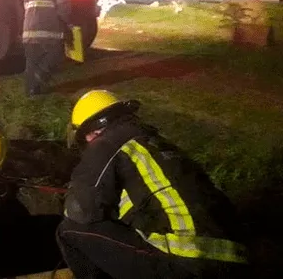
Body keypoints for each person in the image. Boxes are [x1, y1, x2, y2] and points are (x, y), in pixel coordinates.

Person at [57, 90, 249, 279]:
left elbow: (80, 211)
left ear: (91, 132)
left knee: (68, 230)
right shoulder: (154, 142)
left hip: (185, 261)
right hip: (234, 258)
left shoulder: (106, 144)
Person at [22, 0, 72, 97]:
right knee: (55, 56)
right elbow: (64, 10)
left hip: (28, 32)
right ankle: (38, 83)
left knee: (31, 62)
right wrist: (69, 25)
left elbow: (25, 6)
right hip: (48, 32)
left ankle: (30, 91)